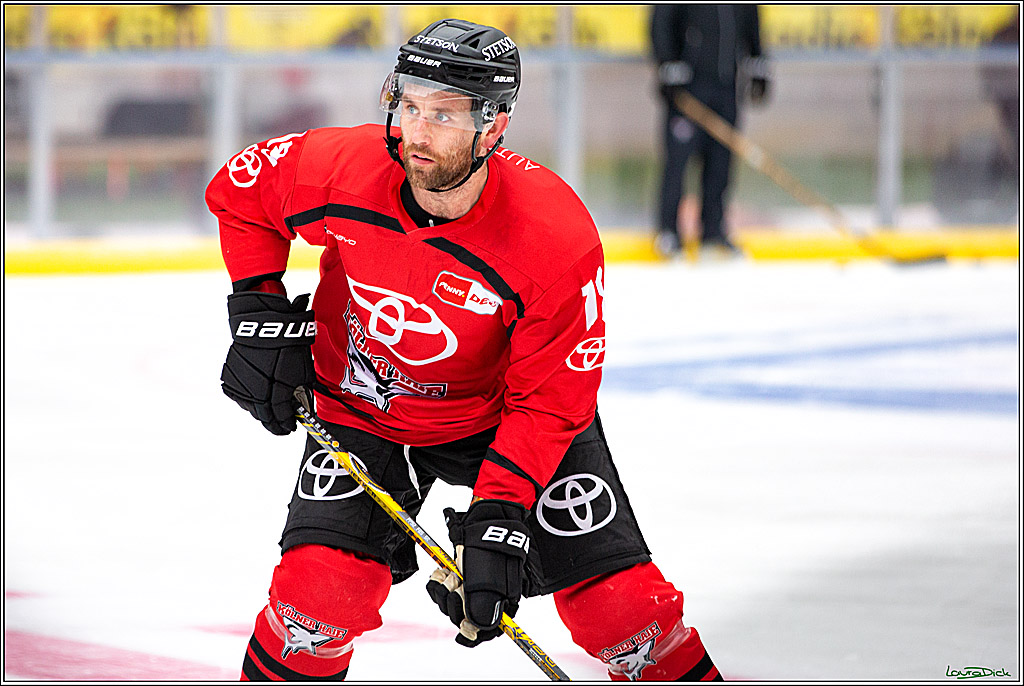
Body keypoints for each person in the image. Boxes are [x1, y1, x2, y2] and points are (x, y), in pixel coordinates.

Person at [207, 18, 722, 682]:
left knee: (626, 616)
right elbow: (241, 194)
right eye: (409, 104)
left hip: (505, 419)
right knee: (315, 603)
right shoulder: (344, 166)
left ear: (495, 126)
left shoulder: (552, 236)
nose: (416, 132)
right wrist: (256, 309)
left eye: (443, 115)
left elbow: (551, 401)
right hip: (363, 409)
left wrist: (502, 514)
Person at [651, 4, 770, 258]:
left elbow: (751, 20)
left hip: (726, 87)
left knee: (720, 163)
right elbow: (661, 19)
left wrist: (759, 63)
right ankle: (669, 231)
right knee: (677, 163)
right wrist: (667, 63)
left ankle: (713, 231)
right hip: (689, 89)